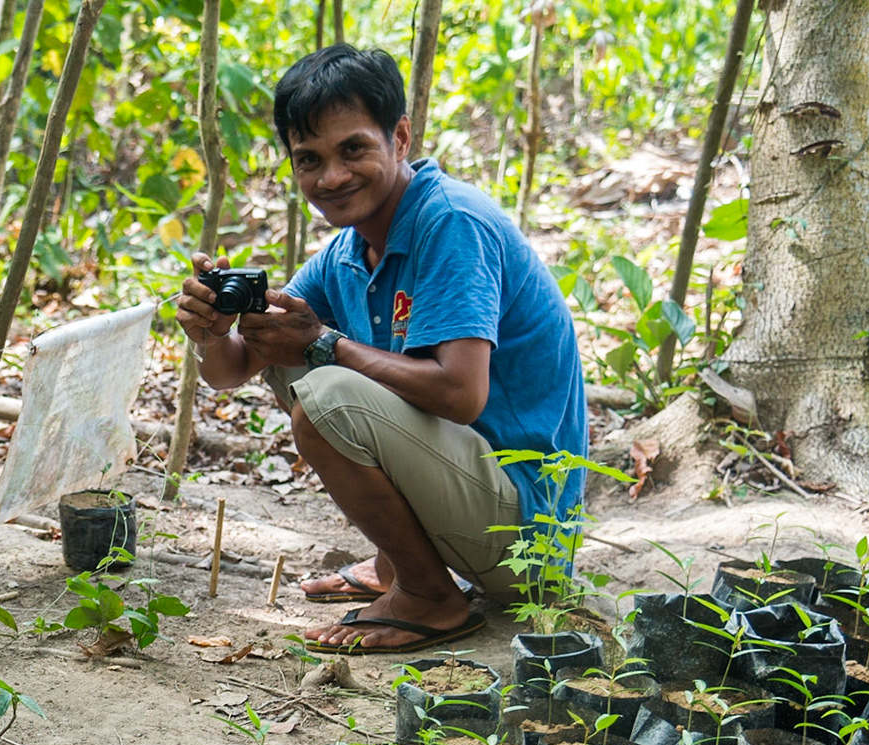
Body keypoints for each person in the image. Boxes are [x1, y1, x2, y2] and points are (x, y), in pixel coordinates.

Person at [174, 43, 587, 654]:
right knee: (294, 358)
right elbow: (234, 368)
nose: (331, 177)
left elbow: (461, 394)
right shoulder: (347, 253)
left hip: (526, 541)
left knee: (326, 389)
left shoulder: (450, 221)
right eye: (309, 159)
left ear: (399, 138)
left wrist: (326, 344)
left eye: (353, 150)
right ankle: (400, 566)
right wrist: (211, 330)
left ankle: (429, 596)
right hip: (475, 504)